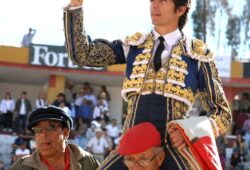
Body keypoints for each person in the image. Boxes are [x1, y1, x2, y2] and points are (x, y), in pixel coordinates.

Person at [63, 0, 232, 169]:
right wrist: (75, 6)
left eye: (162, 1)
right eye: (152, 0)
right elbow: (83, 55)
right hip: (130, 148)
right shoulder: (133, 45)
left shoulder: (198, 56)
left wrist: (190, 133)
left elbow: (222, 114)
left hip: (173, 149)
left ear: (180, 9)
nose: (154, 5)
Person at [11, 106, 99, 170]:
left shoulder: (87, 161)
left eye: (51, 127)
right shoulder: (22, 167)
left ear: (66, 132)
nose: (43, 134)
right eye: (37, 129)